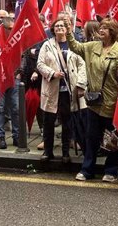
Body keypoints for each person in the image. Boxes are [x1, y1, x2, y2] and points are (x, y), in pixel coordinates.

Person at [67, 18, 118, 182]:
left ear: (113, 32)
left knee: (112, 140)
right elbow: (75, 47)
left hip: (112, 103)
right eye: (101, 28)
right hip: (94, 102)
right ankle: (87, 170)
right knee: (91, 137)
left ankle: (111, 171)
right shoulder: (92, 46)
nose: (101, 31)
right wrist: (68, 31)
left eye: (106, 29)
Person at [36, 18, 87, 163]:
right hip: (52, 90)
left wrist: (81, 84)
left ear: (67, 29)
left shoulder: (74, 45)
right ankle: (48, 151)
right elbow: (40, 64)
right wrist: (52, 73)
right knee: (49, 122)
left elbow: (82, 66)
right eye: (56, 26)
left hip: (68, 91)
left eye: (62, 26)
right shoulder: (47, 45)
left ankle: (65, 153)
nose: (59, 28)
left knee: (67, 122)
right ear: (53, 29)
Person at [0, 14, 20, 149]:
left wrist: (19, 72)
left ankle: (17, 136)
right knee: (0, 109)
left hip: (14, 78)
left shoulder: (17, 40)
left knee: (16, 108)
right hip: (0, 80)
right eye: (9, 28)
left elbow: (23, 56)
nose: (12, 31)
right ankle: (1, 137)